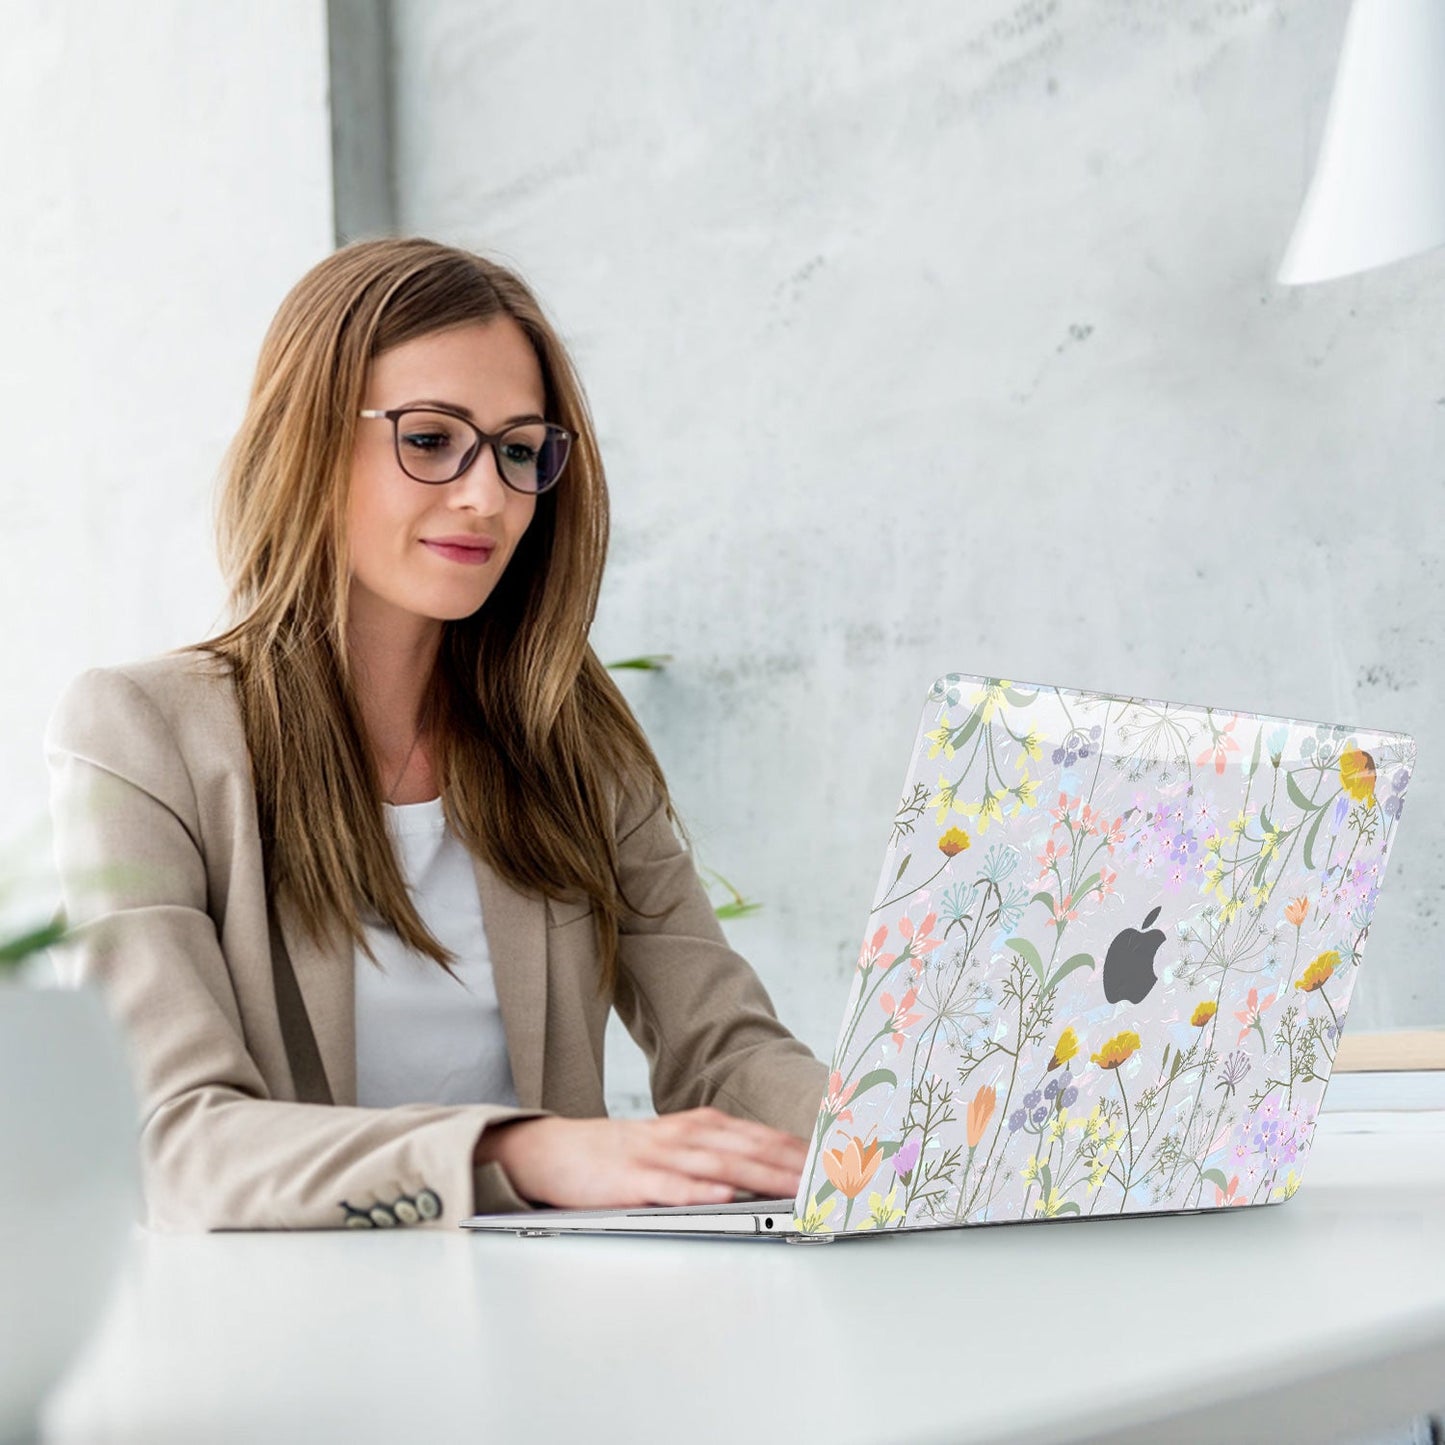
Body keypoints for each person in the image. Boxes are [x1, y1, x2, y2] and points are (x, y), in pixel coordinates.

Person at [43, 237, 828, 1232]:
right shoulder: (140, 733)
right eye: (428, 438)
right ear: (307, 438)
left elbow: (724, 1050)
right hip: (281, 1345)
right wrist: (515, 1148)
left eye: (516, 448)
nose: (486, 496)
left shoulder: (564, 732)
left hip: (554, 1320)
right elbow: (176, 1141)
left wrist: (903, 1140)